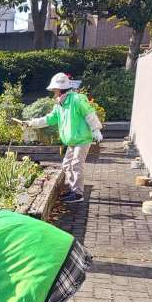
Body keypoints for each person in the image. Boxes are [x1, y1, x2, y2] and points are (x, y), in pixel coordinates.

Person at [22, 72, 103, 204]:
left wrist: (96, 129)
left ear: (60, 89)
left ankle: (78, 194)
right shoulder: (60, 104)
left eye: (55, 90)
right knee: (66, 165)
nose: (54, 92)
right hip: (72, 141)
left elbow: (89, 113)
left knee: (76, 164)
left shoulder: (77, 99)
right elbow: (49, 119)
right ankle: (73, 189)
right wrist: (32, 123)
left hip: (82, 139)